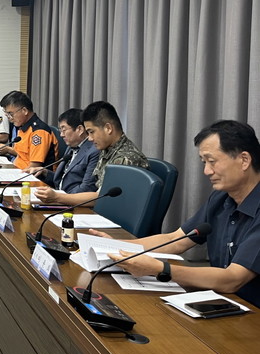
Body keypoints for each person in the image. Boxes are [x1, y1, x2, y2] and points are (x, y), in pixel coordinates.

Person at [90, 120, 260, 307]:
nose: (206, 171)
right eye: (204, 162)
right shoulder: (221, 198)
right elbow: (176, 239)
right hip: (223, 300)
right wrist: (117, 246)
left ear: (244, 160)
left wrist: (161, 269)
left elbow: (233, 279)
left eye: (212, 161)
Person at [37, 100, 147, 206]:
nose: (89, 138)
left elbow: (101, 198)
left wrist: (58, 198)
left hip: (110, 216)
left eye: (91, 132)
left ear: (108, 128)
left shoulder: (125, 158)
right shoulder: (107, 149)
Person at [32, 108, 100, 201]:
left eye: (64, 130)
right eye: (60, 130)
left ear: (80, 129)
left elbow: (87, 188)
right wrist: (45, 172)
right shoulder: (71, 146)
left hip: (73, 203)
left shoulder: (94, 151)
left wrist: (59, 197)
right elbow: (63, 179)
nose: (61, 135)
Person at [0, 90, 57, 170]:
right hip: (17, 169)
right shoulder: (23, 127)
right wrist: (6, 149)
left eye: (11, 114)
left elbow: (34, 167)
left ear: (24, 111)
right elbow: (22, 155)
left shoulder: (38, 132)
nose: (9, 118)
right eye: (7, 114)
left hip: (31, 176)